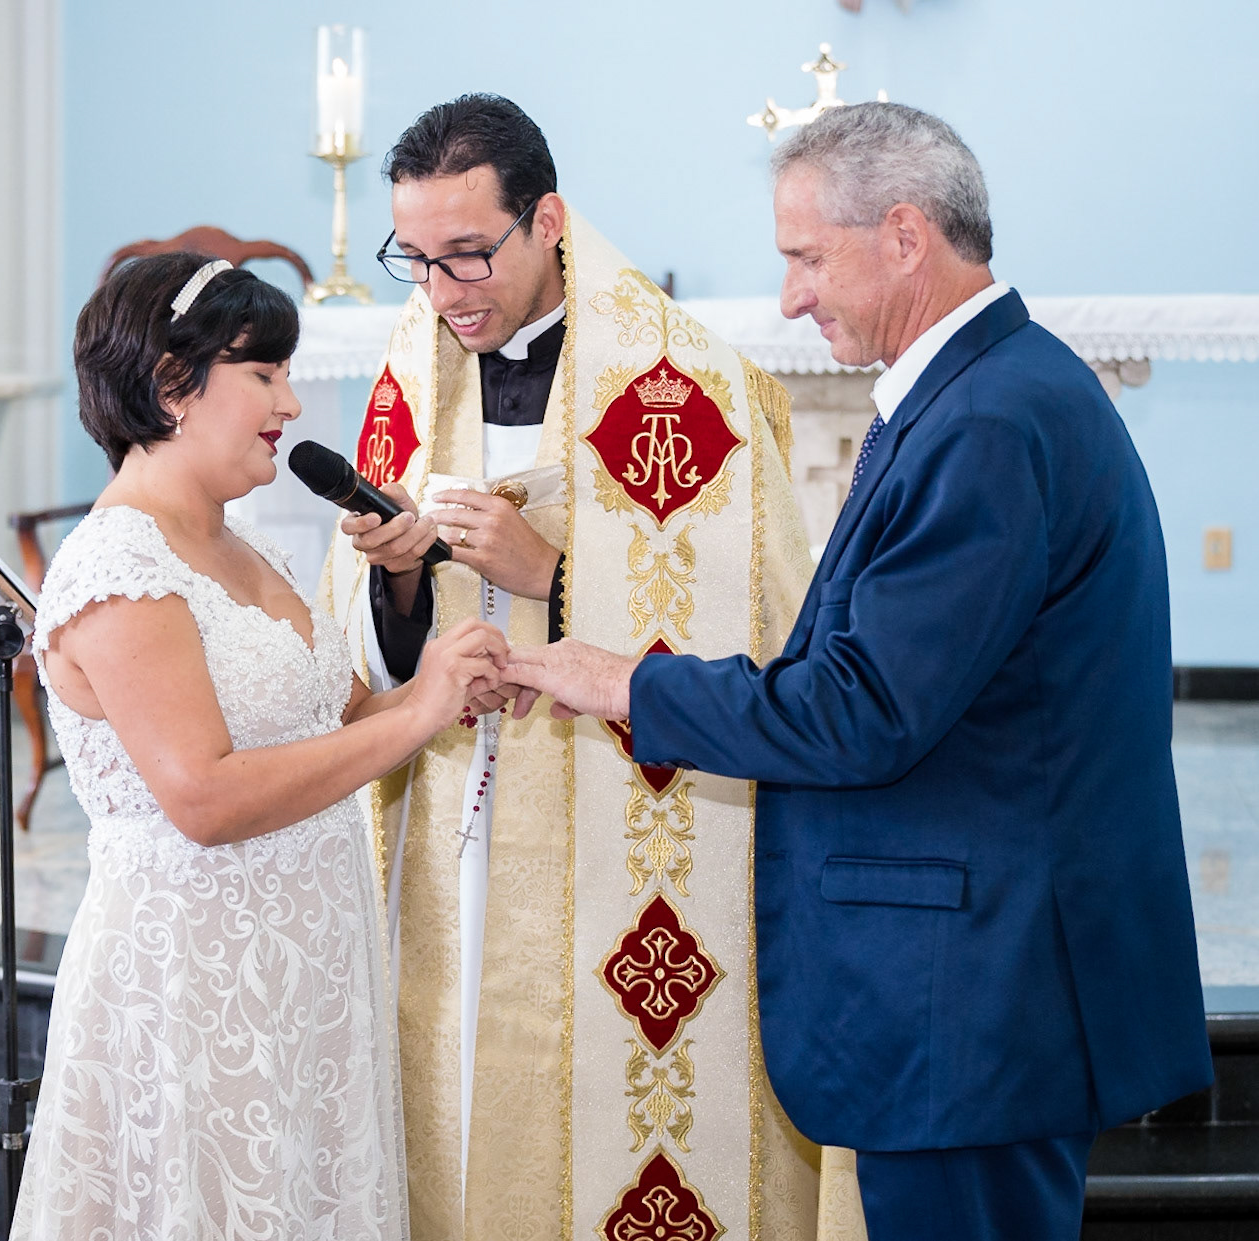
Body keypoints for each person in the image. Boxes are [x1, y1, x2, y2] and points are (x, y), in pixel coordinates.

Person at [504, 101, 1215, 1241]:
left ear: (902, 236)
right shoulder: (993, 390)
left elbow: (865, 708)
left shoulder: (988, 420)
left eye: (805, 258)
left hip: (975, 988)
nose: (791, 296)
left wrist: (631, 682)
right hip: (982, 974)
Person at [320, 94, 861, 1241]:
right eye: (413, 260)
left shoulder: (689, 384)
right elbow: (363, 647)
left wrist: (552, 576)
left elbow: (752, 628)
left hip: (627, 834)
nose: (444, 291)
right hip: (456, 839)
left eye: (469, 254)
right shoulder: (408, 373)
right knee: (463, 1087)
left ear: (548, 219)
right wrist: (400, 576)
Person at [8, 253, 506, 1240]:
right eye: (264, 374)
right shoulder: (116, 564)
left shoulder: (249, 546)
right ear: (169, 386)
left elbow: (346, 719)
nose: (288, 402)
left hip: (304, 964)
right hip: (195, 977)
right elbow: (204, 794)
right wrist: (418, 715)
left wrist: (427, 643)